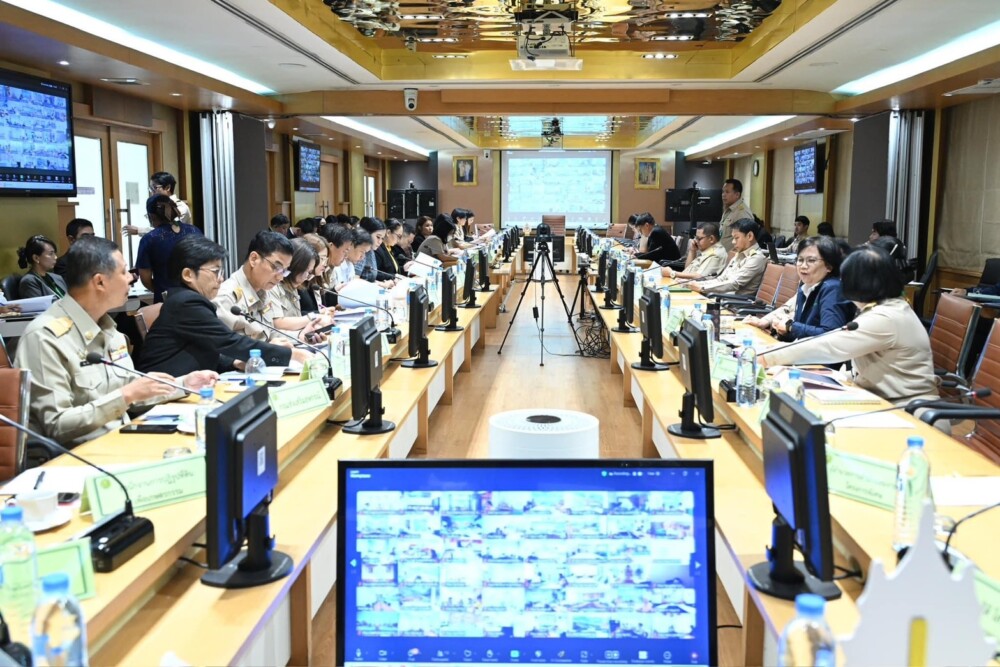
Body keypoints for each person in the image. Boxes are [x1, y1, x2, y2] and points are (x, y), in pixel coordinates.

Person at [14, 236, 217, 447]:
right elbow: (57, 424)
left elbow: (131, 391)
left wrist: (182, 384)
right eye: (123, 272)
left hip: (122, 442)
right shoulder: (44, 337)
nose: (130, 278)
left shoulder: (109, 329)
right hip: (79, 455)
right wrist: (126, 396)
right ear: (100, 282)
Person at [759, 245, 941, 409]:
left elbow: (829, 345)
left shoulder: (885, 317)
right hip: (882, 399)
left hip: (908, 411)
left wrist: (765, 357)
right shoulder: (886, 307)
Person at [139, 236, 310, 376]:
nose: (221, 279)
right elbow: (229, 342)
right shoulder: (187, 303)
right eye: (215, 272)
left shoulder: (186, 300)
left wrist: (235, 362)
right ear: (188, 274)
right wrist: (292, 355)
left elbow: (207, 348)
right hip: (160, 394)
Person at [214, 230, 324, 344]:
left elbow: (269, 333)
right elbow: (224, 349)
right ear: (254, 259)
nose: (280, 277)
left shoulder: (263, 290)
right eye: (277, 267)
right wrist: (269, 350)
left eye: (284, 271)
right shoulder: (226, 298)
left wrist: (300, 336)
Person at [744, 236, 854, 341]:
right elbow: (801, 332)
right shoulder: (806, 287)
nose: (803, 266)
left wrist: (790, 326)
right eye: (800, 260)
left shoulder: (832, 288)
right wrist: (779, 328)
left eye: (811, 260)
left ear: (829, 266)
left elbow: (830, 334)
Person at [135, 194, 202, 302]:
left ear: (151, 216)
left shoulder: (149, 239)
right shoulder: (195, 231)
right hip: (196, 298)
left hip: (167, 301)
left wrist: (161, 291)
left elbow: (145, 279)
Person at [269, 237, 332, 333]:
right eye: (306, 271)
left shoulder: (294, 287)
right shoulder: (273, 286)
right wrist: (315, 317)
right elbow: (278, 323)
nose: (306, 277)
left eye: (310, 272)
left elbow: (297, 319)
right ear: (295, 265)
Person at [690, 219, 767, 297]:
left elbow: (735, 283)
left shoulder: (756, 258)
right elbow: (721, 279)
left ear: (750, 236)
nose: (733, 242)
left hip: (734, 302)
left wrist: (702, 287)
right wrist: (698, 284)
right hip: (722, 297)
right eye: (733, 238)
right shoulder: (739, 254)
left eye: (736, 238)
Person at [124, 171, 191, 236]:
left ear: (167, 188)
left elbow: (169, 230)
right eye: (150, 188)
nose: (152, 192)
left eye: (155, 188)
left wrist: (139, 230)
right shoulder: (156, 205)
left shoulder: (181, 207)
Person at [663, 222, 727, 281]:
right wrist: (692, 251)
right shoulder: (707, 249)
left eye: (699, 238)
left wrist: (672, 273)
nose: (696, 241)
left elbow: (700, 277)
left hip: (692, 288)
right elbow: (687, 269)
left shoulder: (715, 255)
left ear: (711, 239)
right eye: (695, 238)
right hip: (683, 283)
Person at [17, 235, 67, 299]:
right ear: (36, 258)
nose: (55, 257)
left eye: (54, 253)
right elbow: (38, 305)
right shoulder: (29, 281)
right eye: (50, 254)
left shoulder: (57, 277)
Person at [355, 217, 395, 286]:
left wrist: (382, 284)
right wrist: (381, 284)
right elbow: (355, 280)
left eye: (382, 238)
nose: (380, 242)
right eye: (378, 237)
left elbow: (370, 279)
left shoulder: (371, 250)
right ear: (367, 233)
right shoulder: (359, 250)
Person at [719, 178, 755, 251]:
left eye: (727, 192)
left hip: (733, 256)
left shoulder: (742, 213)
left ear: (737, 195)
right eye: (723, 192)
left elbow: (746, 242)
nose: (723, 195)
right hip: (723, 254)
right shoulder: (729, 210)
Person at [299, 232, 331, 314]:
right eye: (322, 258)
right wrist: (319, 314)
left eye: (326, 259)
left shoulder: (315, 280)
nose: (325, 264)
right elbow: (298, 315)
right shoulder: (297, 283)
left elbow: (321, 307)